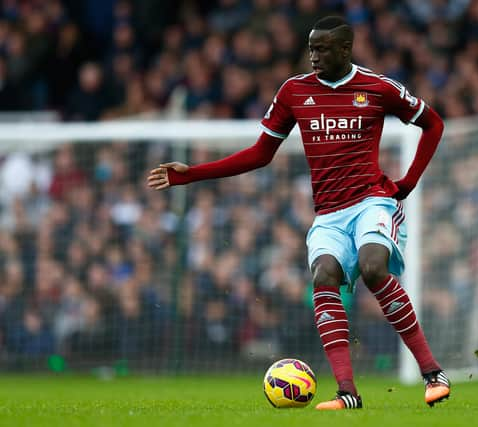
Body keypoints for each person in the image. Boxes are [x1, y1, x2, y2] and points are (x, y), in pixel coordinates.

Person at [147, 16, 449, 410]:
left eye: (323, 49)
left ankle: (432, 373)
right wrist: (192, 176)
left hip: (372, 201)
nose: (314, 57)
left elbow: (433, 124)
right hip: (328, 214)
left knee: (374, 267)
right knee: (323, 275)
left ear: (345, 49)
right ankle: (347, 393)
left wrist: (406, 184)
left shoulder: (378, 88)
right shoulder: (294, 91)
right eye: (311, 49)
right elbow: (260, 153)